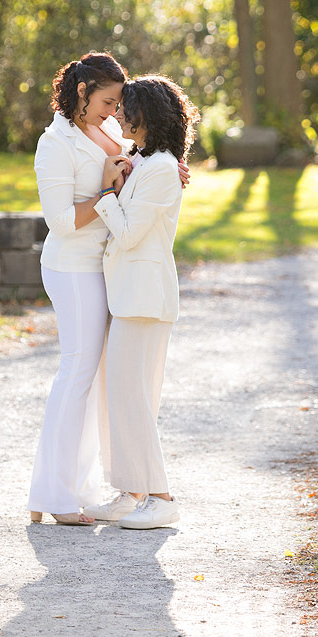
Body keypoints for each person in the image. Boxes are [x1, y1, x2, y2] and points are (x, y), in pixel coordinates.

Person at [27, 54, 189, 526]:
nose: (115, 112)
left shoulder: (116, 136)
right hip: (75, 267)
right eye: (107, 101)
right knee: (79, 373)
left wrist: (170, 168)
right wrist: (104, 193)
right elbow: (59, 220)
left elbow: (144, 169)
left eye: (120, 104)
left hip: (112, 270)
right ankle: (54, 493)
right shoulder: (55, 142)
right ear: (82, 92)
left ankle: (103, 488)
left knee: (107, 385)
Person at [88, 75, 200, 530]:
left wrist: (105, 195)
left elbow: (131, 233)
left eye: (125, 108)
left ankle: (162, 496)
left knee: (133, 398)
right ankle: (130, 491)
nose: (117, 115)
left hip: (144, 297)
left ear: (146, 115)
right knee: (118, 396)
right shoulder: (144, 160)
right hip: (129, 295)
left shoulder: (160, 169)